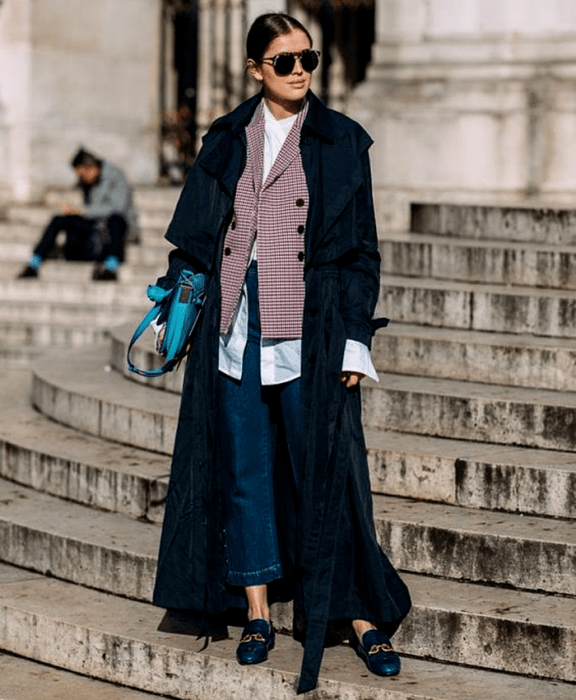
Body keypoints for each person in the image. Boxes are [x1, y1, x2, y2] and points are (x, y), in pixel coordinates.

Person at [151, 13, 411, 693]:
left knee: (330, 470)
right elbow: (193, 240)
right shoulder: (226, 139)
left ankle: (358, 613)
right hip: (234, 326)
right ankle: (259, 609)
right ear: (256, 70)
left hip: (313, 325)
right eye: (286, 61)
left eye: (308, 59)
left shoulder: (340, 141)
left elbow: (361, 253)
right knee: (244, 467)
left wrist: (356, 339)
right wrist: (174, 307)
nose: (300, 71)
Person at [17, 148, 137, 281]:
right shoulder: (87, 182)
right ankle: (34, 263)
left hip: (117, 226)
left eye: (82, 174)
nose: (81, 178)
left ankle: (111, 267)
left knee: (116, 220)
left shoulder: (116, 176)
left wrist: (82, 211)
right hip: (95, 224)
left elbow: (117, 208)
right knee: (58, 220)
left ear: (91, 168)